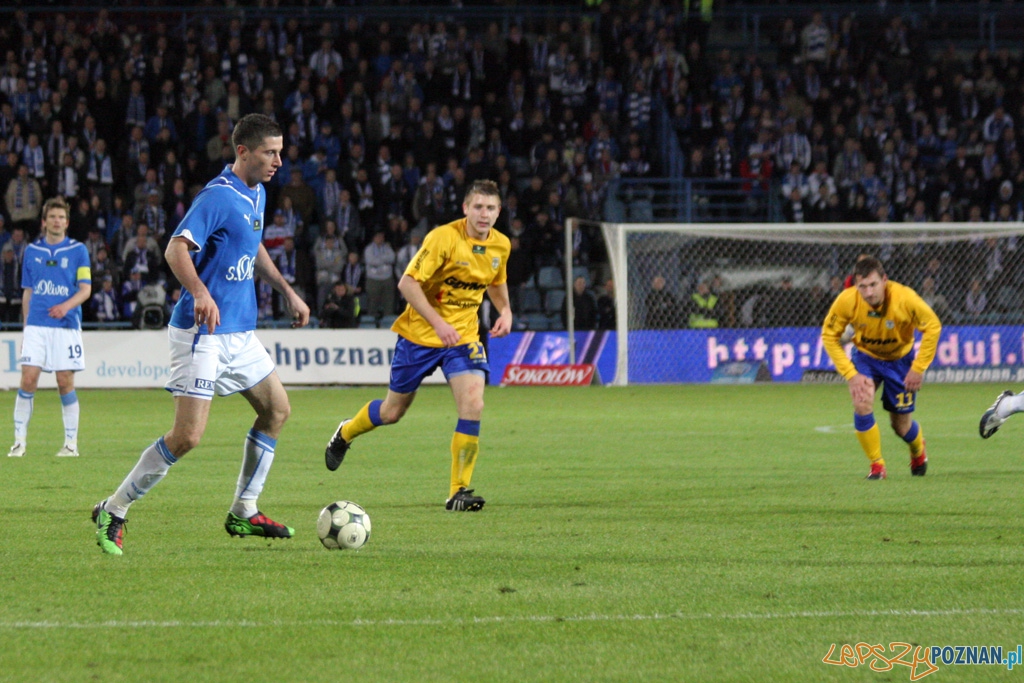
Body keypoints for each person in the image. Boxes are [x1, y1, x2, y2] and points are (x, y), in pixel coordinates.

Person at [92, 114, 311, 556]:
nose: (278, 160)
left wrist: (287, 290)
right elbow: (176, 248)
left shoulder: (258, 193)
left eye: (281, 151)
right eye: (270, 152)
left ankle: (244, 511)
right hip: (202, 331)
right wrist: (199, 291)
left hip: (239, 331)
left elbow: (252, 248)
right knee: (187, 437)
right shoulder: (217, 196)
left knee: (277, 411)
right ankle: (113, 509)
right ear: (243, 151)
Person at [324, 180, 512, 512]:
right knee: (392, 412)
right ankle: (346, 432)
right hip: (420, 335)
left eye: (491, 208)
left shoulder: (501, 246)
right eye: (478, 207)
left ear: (499, 212)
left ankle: (459, 491)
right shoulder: (443, 238)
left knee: (473, 404)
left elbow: (495, 281)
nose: (485, 214)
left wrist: (506, 310)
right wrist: (439, 323)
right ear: (465, 208)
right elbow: (407, 283)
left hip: (463, 337)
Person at [821, 256, 941, 480]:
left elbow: (932, 326)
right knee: (861, 401)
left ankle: (917, 450)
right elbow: (829, 335)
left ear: (884, 280)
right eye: (862, 286)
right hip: (866, 357)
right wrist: (851, 374)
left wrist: (918, 367)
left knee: (901, 426)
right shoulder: (847, 301)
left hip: (900, 361)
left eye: (873, 285)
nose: (868, 292)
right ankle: (877, 465)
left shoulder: (905, 299)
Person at [7, 196, 92, 459]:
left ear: (67, 223)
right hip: (37, 325)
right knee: (28, 379)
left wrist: (66, 306)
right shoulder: (32, 252)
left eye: (61, 218)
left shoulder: (78, 251)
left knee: (64, 381)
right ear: (44, 222)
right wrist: (25, 328)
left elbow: (86, 290)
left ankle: (70, 444)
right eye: (52, 217)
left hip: (66, 326)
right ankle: (19, 442)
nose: (57, 221)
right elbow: (27, 294)